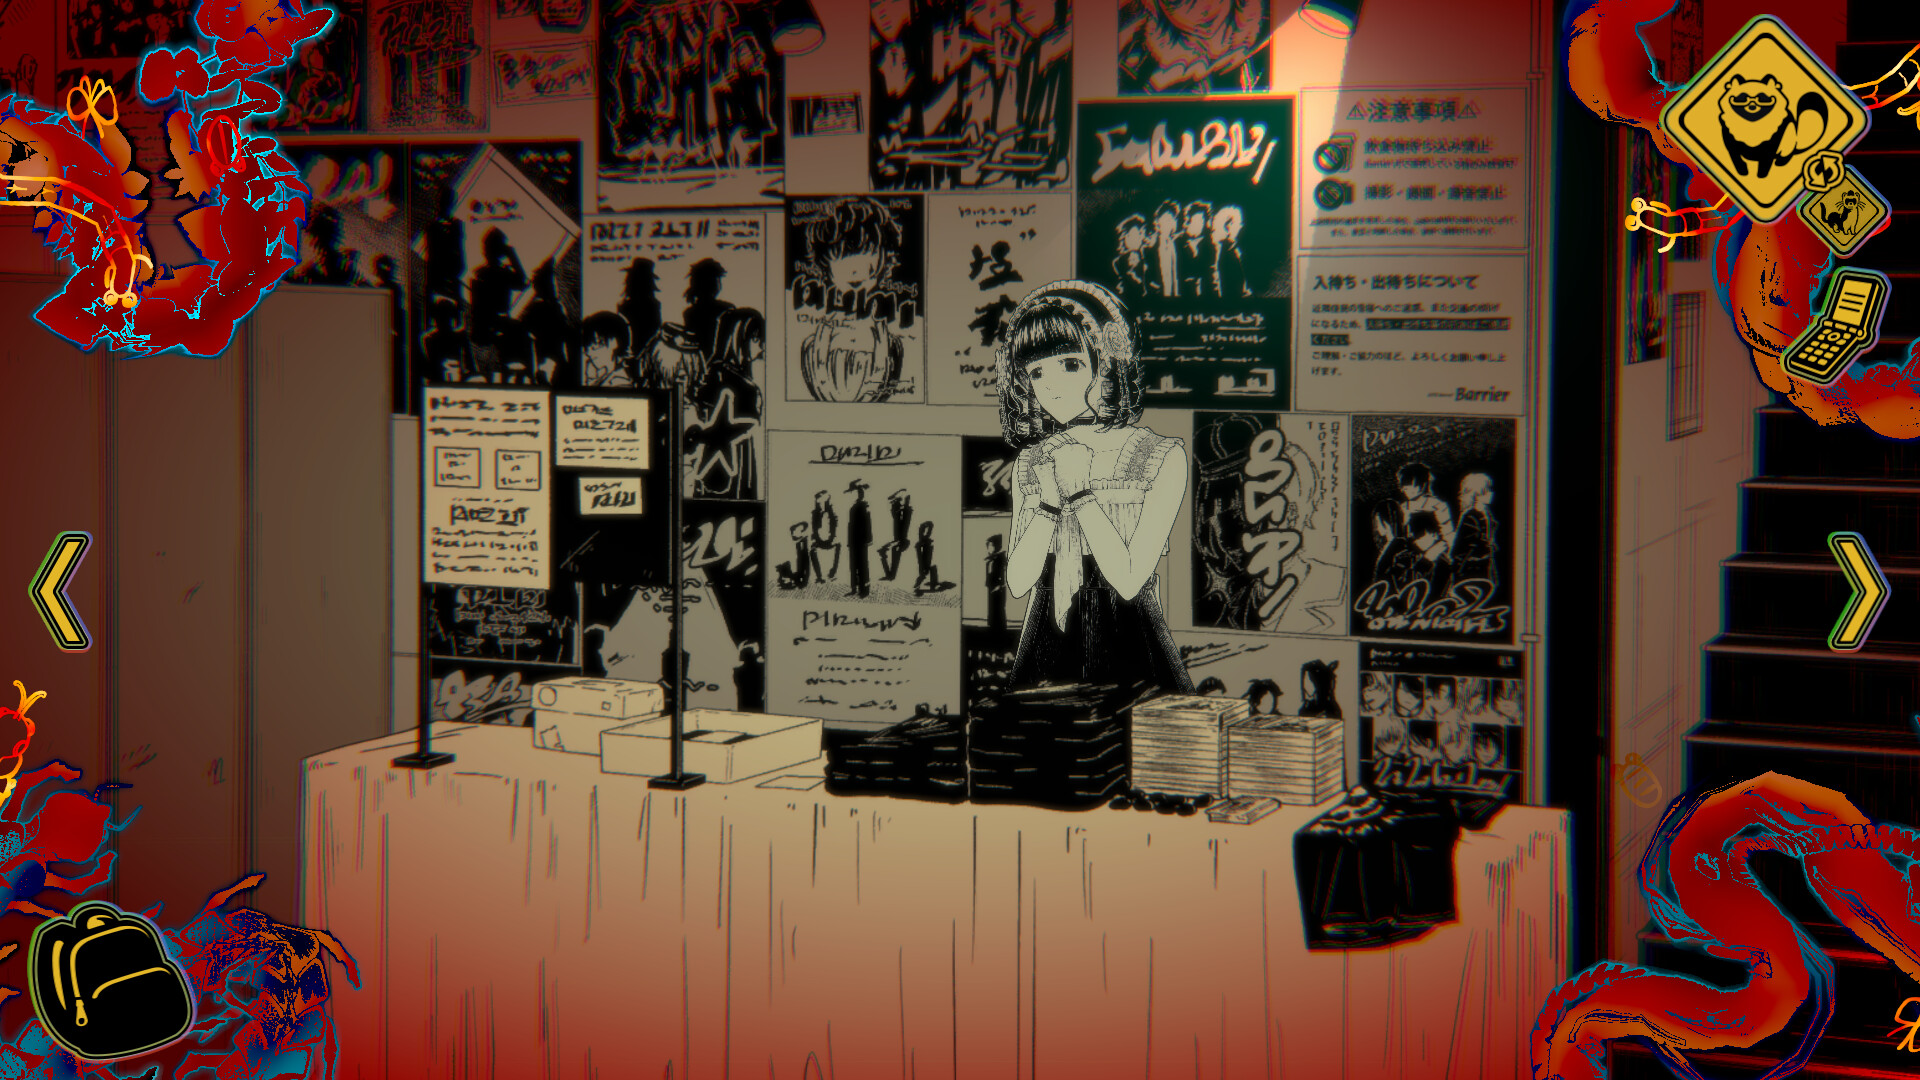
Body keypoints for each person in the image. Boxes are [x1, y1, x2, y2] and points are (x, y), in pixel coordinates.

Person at [997, 279, 1192, 694]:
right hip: (1046, 640)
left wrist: (1082, 495)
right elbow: (1018, 581)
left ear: (1106, 363)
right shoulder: (1031, 462)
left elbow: (1129, 579)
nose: (1051, 385)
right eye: (1036, 372)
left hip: (1128, 638)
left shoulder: (1160, 456)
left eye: (1070, 364)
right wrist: (1049, 504)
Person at [1451, 472, 1499, 591]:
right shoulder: (1470, 516)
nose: (1492, 493)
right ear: (1477, 493)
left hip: (1485, 565)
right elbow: (1463, 547)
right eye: (1487, 490)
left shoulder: (1487, 513)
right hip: (1471, 569)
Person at [581, 312, 635, 388]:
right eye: (586, 346)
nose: (588, 352)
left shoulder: (620, 383)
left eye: (596, 344)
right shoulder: (602, 377)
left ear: (614, 342)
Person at [846, 479, 873, 598]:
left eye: (855, 492)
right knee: (853, 565)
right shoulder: (853, 507)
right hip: (853, 541)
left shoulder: (864, 507)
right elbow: (850, 525)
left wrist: (868, 539)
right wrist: (849, 541)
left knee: (862, 565)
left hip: (861, 541)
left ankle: (864, 589)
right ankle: (854, 588)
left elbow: (867, 524)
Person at [880, 489, 912, 581]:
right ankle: (889, 574)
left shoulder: (902, 513)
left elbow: (904, 524)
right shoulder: (900, 513)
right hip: (899, 541)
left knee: (894, 559)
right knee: (894, 560)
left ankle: (889, 573)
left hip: (900, 541)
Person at [810, 491, 841, 585]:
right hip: (820, 540)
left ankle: (832, 573)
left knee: (838, 546)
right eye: (818, 501)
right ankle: (819, 576)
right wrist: (815, 538)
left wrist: (833, 536)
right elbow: (814, 528)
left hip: (829, 540)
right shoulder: (816, 514)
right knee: (812, 550)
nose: (820, 503)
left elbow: (834, 525)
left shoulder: (830, 514)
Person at [912, 521, 949, 595]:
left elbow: (929, 526)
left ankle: (929, 581)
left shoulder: (924, 539)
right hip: (924, 548)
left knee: (926, 568)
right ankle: (927, 581)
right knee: (924, 568)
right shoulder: (923, 539)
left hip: (925, 548)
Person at [984, 534, 1009, 632]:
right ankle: (994, 628)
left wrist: (1000, 585)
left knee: (998, 610)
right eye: (988, 545)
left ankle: (999, 630)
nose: (989, 547)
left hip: (998, 588)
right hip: (992, 587)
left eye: (991, 545)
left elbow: (1004, 574)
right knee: (993, 609)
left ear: (997, 546)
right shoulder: (992, 559)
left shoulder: (1001, 558)